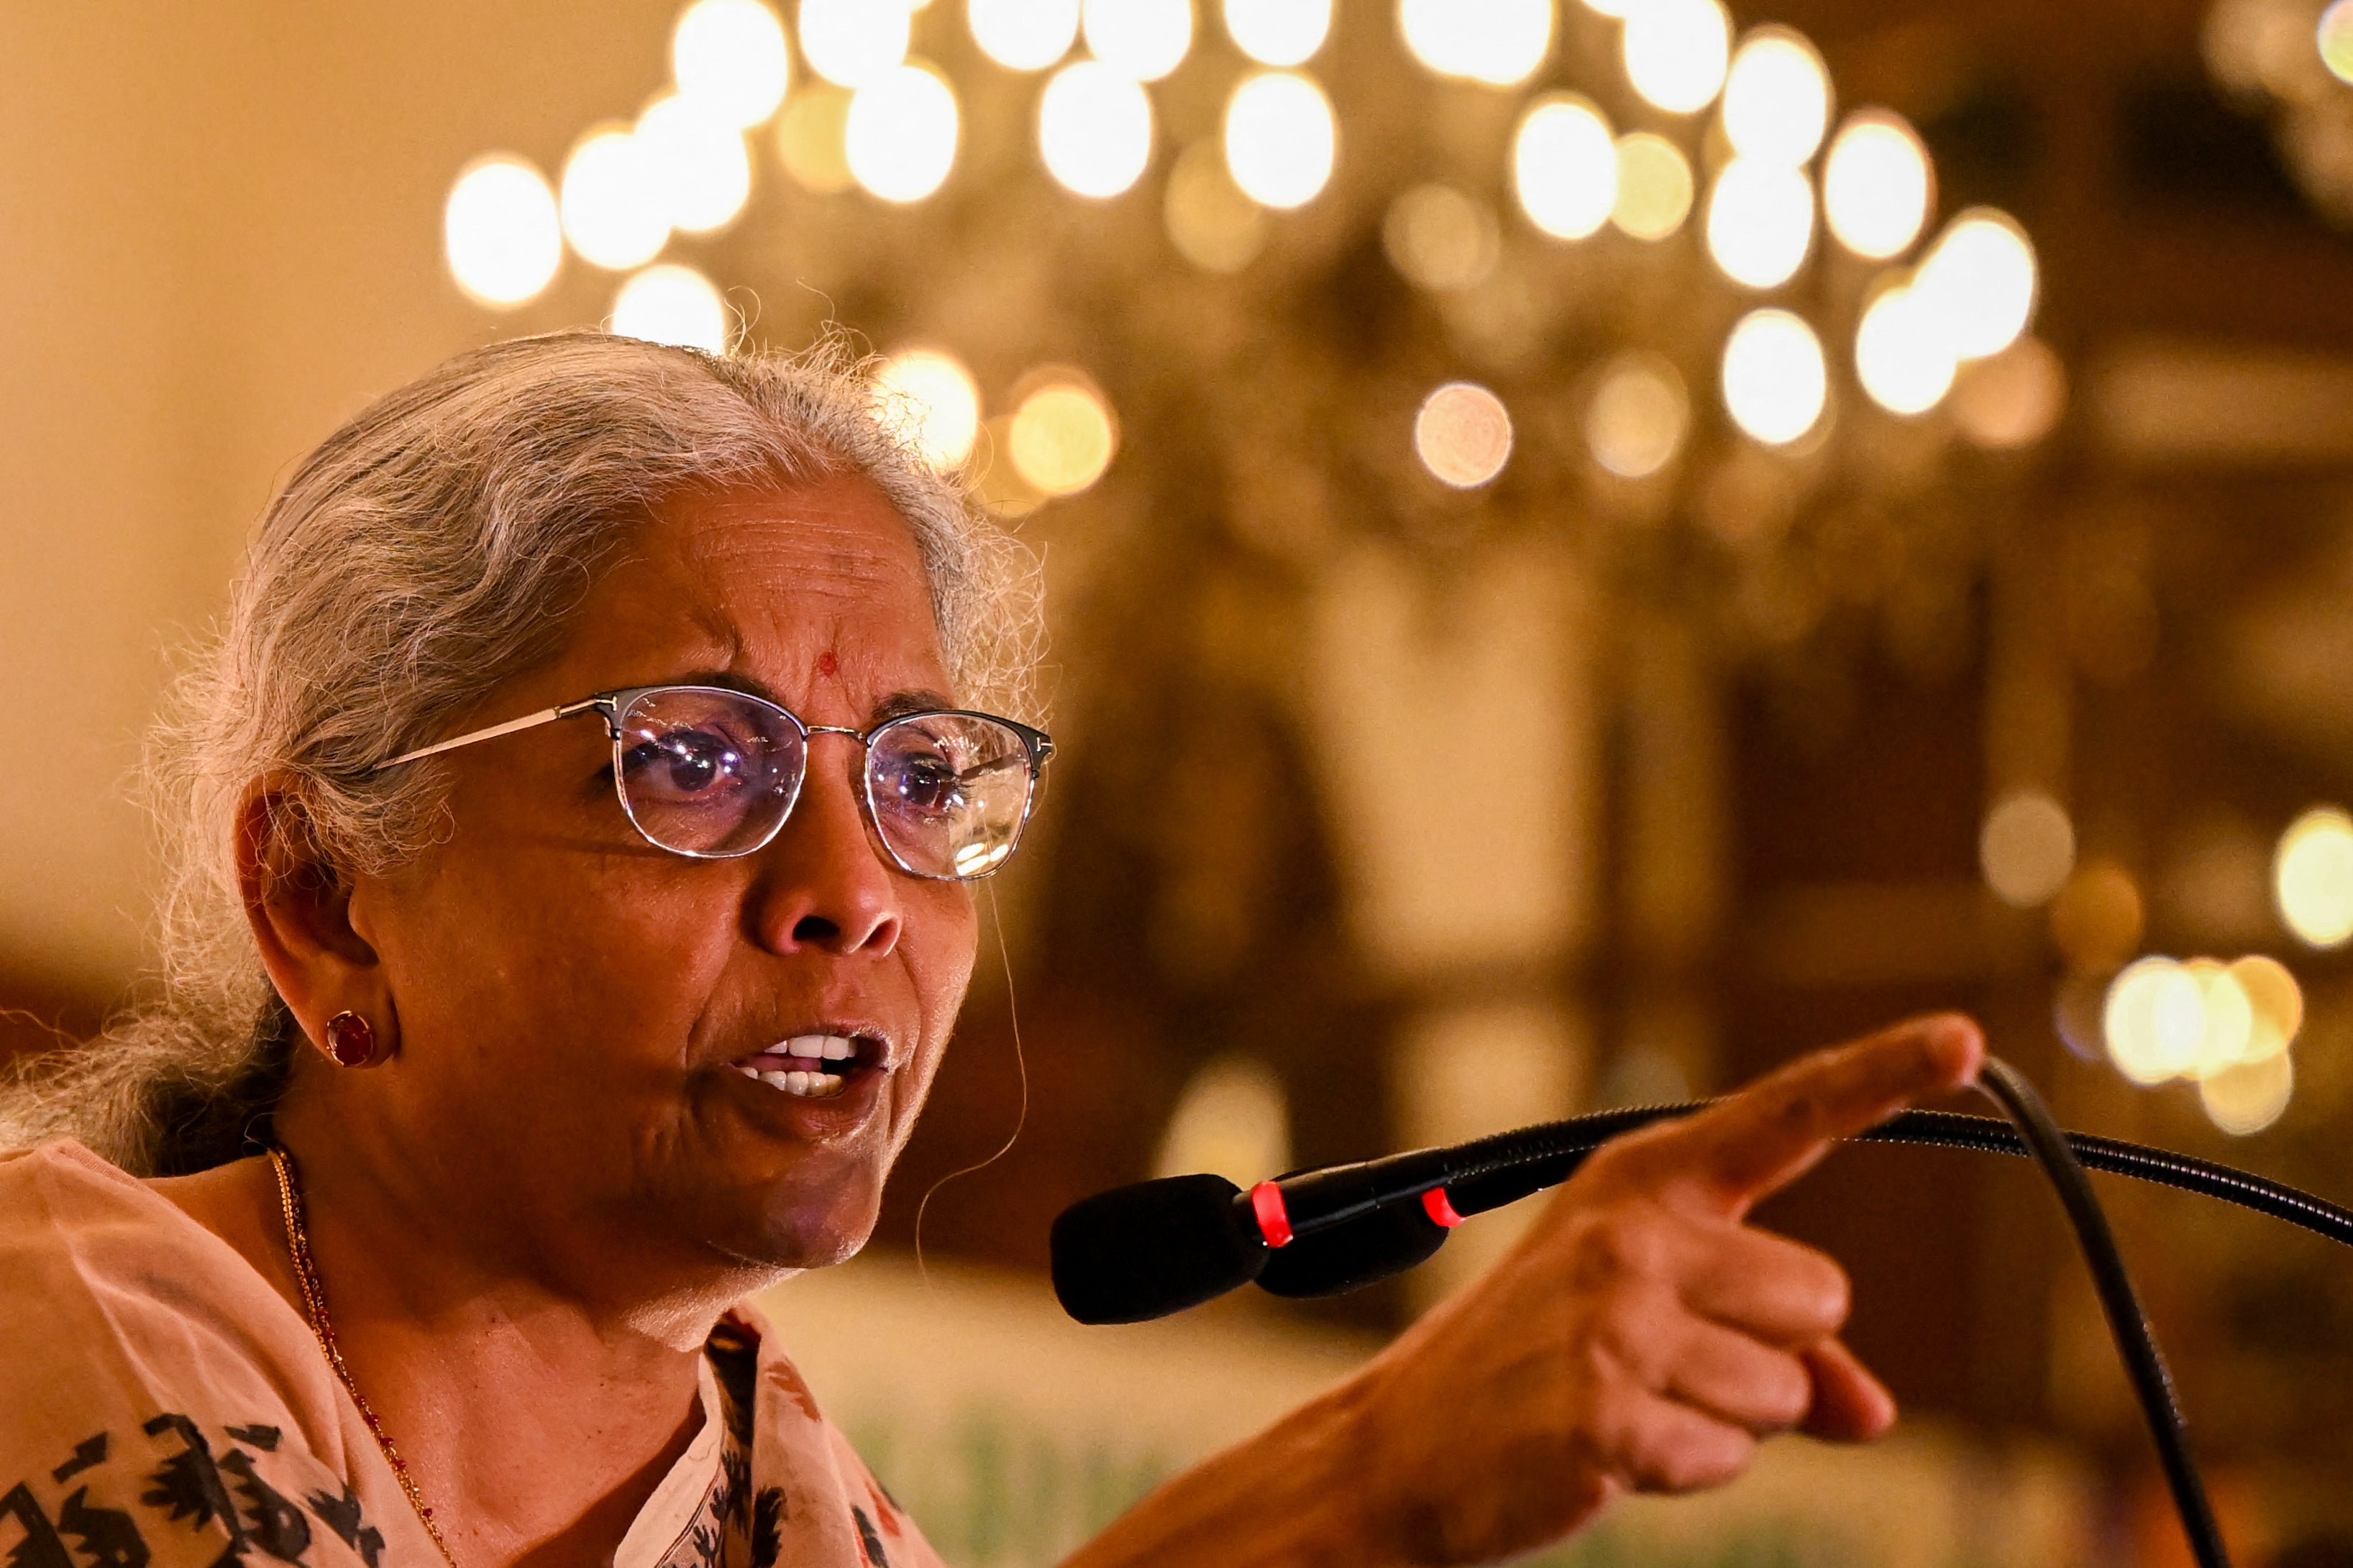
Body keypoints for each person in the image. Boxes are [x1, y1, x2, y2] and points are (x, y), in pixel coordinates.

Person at [0, 333, 1985, 1568]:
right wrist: (1356, 1490)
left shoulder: (802, 1503)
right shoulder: (66, 1326)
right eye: (696, 763)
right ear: (329, 901)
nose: (854, 890)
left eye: (926, 778)